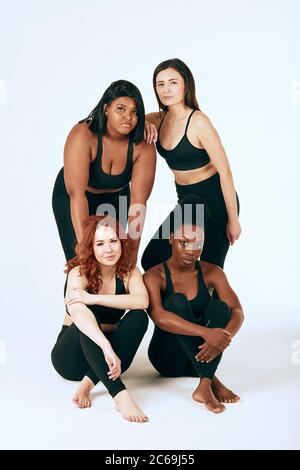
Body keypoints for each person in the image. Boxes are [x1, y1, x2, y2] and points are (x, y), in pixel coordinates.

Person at [143, 196, 244, 414]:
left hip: (202, 356)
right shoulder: (155, 276)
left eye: (198, 243)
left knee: (220, 308)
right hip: (166, 359)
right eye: (184, 242)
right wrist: (207, 333)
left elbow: (237, 311)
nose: (191, 250)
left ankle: (204, 384)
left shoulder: (212, 272)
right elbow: (158, 315)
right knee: (175, 302)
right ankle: (211, 380)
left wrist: (223, 337)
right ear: (171, 239)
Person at [142, 58, 240, 272]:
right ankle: (174, 304)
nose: (166, 89)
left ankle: (217, 305)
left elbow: (225, 171)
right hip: (187, 203)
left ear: (185, 84)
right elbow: (129, 119)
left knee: (209, 270)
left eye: (173, 82)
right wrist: (144, 123)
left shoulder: (198, 122)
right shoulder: (157, 119)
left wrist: (233, 220)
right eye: (160, 84)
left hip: (216, 202)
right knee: (152, 259)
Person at [51, 214, 150, 423]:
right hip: (71, 358)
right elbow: (77, 310)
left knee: (139, 318)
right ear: (91, 247)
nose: (109, 249)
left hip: (109, 362)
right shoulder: (78, 272)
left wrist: (93, 298)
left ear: (121, 243)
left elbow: (142, 301)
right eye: (100, 243)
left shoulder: (130, 272)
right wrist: (105, 345)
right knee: (85, 319)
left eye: (114, 241)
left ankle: (89, 382)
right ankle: (120, 395)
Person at [52, 79, 156, 267]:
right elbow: (77, 195)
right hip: (74, 197)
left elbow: (138, 203)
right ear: (106, 108)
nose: (128, 117)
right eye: (121, 109)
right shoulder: (83, 134)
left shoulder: (143, 145)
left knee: (115, 263)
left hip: (116, 199)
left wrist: (131, 256)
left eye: (134, 111)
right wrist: (86, 248)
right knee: (83, 265)